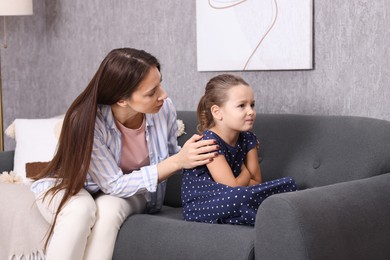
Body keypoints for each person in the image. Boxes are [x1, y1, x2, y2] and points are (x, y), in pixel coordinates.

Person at [30, 48, 219, 260]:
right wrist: (178, 161)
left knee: (108, 210)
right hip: (71, 185)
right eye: (152, 92)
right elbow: (113, 183)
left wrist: (193, 156)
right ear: (122, 100)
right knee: (80, 211)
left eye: (160, 84)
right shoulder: (86, 122)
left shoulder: (163, 109)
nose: (163, 95)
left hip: (120, 192)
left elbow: (169, 155)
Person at [182, 74, 297, 225]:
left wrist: (244, 179)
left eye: (252, 105)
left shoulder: (248, 138)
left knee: (289, 184)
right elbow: (231, 187)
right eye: (241, 106)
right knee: (239, 197)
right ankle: (270, 217)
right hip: (203, 203)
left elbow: (257, 182)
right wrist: (245, 171)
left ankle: (253, 215)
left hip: (236, 195)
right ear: (217, 112)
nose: (251, 111)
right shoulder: (209, 142)